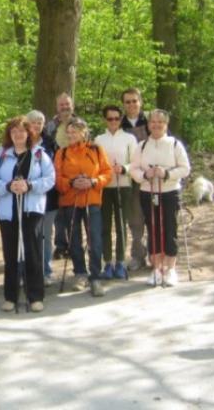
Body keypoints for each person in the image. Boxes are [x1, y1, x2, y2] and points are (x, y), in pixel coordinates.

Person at [0, 116, 55, 312]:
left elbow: (50, 179)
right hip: (9, 211)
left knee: (33, 253)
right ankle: (11, 296)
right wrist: (8, 186)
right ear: (9, 134)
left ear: (29, 133)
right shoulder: (1, 155)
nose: (18, 134)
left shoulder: (39, 155)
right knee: (10, 254)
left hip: (31, 210)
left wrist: (30, 185)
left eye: (22, 131)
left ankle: (35, 296)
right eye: (14, 131)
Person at [130, 109, 190, 287]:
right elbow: (133, 169)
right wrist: (145, 174)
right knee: (153, 229)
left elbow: (185, 168)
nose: (156, 125)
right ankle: (156, 269)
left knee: (170, 228)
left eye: (160, 122)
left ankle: (170, 269)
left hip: (170, 192)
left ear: (166, 125)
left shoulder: (174, 144)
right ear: (148, 125)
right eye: (153, 122)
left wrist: (166, 173)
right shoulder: (141, 146)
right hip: (148, 193)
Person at [54, 118, 112, 297]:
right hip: (70, 201)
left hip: (92, 199)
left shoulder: (95, 150)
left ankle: (95, 277)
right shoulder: (61, 153)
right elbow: (56, 178)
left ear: (84, 132)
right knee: (74, 241)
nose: (70, 135)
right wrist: (71, 182)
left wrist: (93, 181)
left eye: (74, 132)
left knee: (95, 239)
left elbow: (107, 172)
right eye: (68, 132)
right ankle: (80, 274)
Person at [94, 106, 138, 280]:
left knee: (121, 225)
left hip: (123, 185)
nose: (113, 122)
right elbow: (95, 163)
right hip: (104, 187)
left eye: (117, 118)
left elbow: (135, 162)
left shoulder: (129, 138)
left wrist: (124, 168)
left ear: (121, 119)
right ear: (105, 120)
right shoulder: (99, 139)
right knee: (105, 226)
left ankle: (120, 262)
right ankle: (107, 263)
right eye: (110, 118)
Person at [25, 110, 59, 287]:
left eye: (40, 122)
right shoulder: (21, 142)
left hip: (48, 198)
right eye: (33, 122)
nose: (37, 125)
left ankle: (45, 270)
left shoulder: (50, 143)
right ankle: (28, 271)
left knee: (45, 236)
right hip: (26, 199)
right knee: (28, 236)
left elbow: (54, 170)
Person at [120, 88, 150, 271]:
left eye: (134, 101)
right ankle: (138, 256)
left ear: (140, 102)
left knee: (154, 219)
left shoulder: (152, 121)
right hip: (130, 180)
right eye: (127, 102)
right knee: (136, 221)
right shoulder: (119, 124)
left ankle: (157, 254)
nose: (131, 105)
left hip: (152, 178)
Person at [45, 93, 75, 260]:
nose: (65, 107)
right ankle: (60, 245)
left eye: (67, 104)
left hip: (76, 172)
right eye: (61, 105)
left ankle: (73, 244)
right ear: (57, 107)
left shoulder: (80, 124)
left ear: (72, 105)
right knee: (58, 212)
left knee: (73, 212)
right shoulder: (50, 125)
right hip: (56, 171)